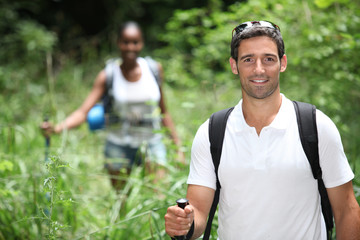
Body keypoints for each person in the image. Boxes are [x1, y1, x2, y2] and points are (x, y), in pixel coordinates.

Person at [164, 20, 360, 239]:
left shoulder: (316, 126)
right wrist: (185, 223)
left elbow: (347, 210)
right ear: (234, 65)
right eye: (248, 60)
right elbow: (199, 212)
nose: (259, 69)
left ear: (282, 63)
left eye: (268, 59)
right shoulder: (212, 132)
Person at [42, 21, 181, 189]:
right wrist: (57, 128)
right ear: (118, 43)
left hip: (152, 141)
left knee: (160, 195)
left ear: (142, 43)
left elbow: (163, 111)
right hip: (118, 144)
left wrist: (177, 147)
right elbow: (83, 112)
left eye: (135, 42)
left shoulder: (153, 69)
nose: (130, 47)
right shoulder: (108, 75)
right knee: (121, 201)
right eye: (126, 42)